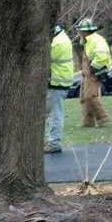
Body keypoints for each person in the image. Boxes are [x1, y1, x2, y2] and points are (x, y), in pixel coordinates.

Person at [76, 18, 111, 127]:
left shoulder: (96, 40)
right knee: (84, 98)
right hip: (88, 73)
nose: (79, 33)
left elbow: (101, 56)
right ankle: (88, 122)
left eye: (80, 31)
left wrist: (92, 68)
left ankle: (103, 117)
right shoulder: (89, 41)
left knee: (90, 96)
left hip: (93, 73)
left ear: (85, 31)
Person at [45, 24, 75, 153]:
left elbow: (43, 58)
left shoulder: (57, 43)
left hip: (57, 82)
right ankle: (51, 141)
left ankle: (54, 143)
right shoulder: (63, 38)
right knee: (51, 113)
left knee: (55, 114)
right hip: (60, 81)